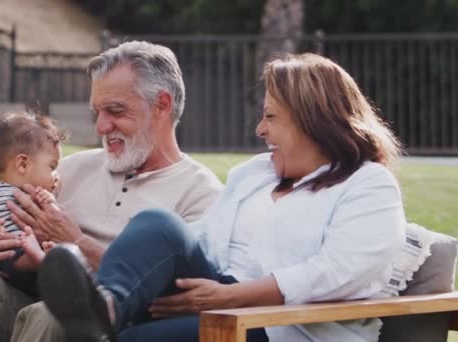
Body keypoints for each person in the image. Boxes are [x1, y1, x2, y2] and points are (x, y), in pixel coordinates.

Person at [37, 53, 407, 342]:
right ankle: (106, 308)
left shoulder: (367, 185)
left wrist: (233, 297)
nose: (260, 129)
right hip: (218, 296)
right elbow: (205, 239)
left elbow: (341, 271)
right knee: (157, 223)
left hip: (285, 326)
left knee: (134, 340)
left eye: (271, 117)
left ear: (313, 121)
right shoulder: (256, 175)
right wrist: (163, 270)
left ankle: (103, 326)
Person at [0, 40, 223, 342]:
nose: (101, 127)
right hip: (25, 301)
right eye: (96, 112)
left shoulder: (200, 193)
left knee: (56, 315)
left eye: (115, 111)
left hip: (106, 329)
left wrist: (75, 242)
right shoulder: (69, 170)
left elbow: (173, 299)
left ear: (162, 105)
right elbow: (9, 230)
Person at [0, 112, 62, 296]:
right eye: (52, 167)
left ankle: (39, 259)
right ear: (23, 164)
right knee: (6, 252)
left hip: (31, 283)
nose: (57, 176)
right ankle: (35, 260)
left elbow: (55, 224)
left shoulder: (41, 197)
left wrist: (51, 203)